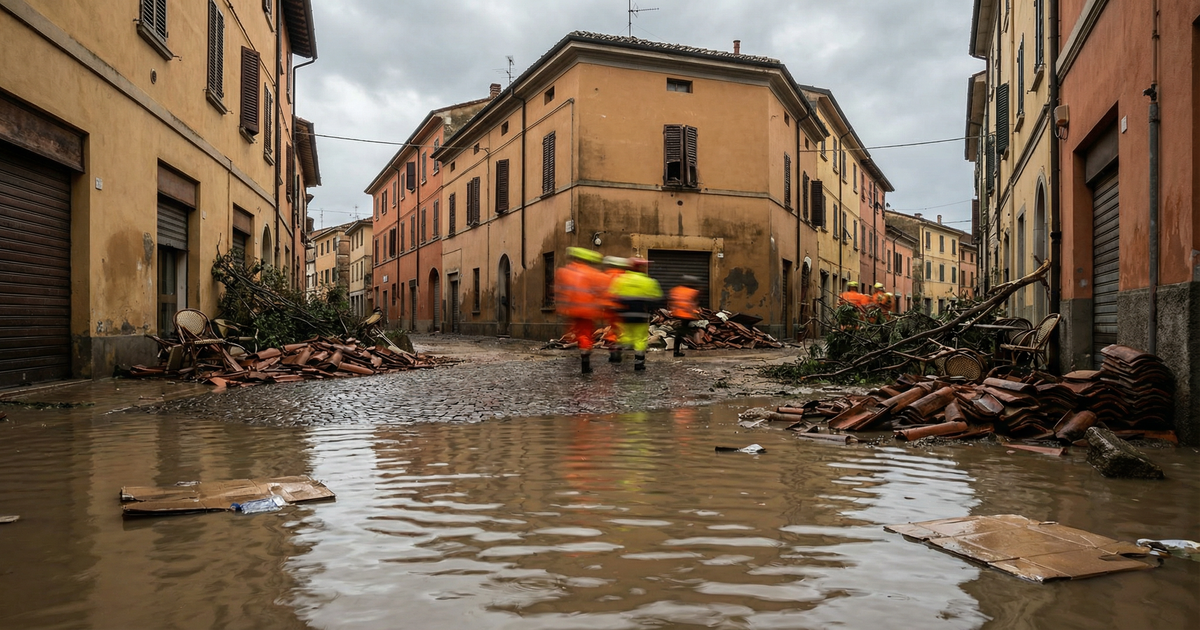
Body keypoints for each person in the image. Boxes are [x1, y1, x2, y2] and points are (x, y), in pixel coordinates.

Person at [555, 247, 607, 373]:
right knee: (585, 335)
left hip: (572, 310)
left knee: (578, 333)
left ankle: (582, 352)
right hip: (588, 311)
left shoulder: (565, 271)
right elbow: (601, 290)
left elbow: (560, 291)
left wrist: (562, 307)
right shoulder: (592, 273)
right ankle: (585, 362)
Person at [608, 257, 663, 371]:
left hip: (624, 316)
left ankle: (616, 352)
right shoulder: (648, 281)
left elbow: (612, 295)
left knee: (624, 336)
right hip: (641, 315)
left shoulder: (621, 279)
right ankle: (639, 364)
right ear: (640, 267)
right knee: (640, 340)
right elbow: (657, 297)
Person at [600, 256, 629, 362]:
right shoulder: (625, 277)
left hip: (609, 307)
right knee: (621, 330)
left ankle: (613, 351)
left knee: (613, 329)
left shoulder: (606, 275)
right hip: (621, 307)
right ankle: (617, 351)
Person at [668, 275, 701, 357]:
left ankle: (676, 351)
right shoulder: (693, 292)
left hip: (677, 314)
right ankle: (676, 351)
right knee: (681, 333)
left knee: (680, 333)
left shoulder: (675, 290)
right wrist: (695, 314)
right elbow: (692, 305)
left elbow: (672, 302)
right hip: (686, 315)